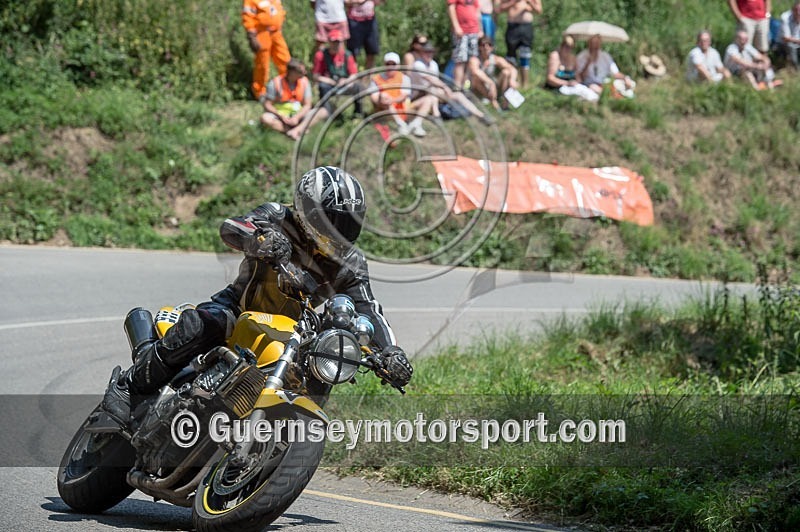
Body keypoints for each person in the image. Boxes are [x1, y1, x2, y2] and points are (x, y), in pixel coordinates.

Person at [102, 166, 414, 427]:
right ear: (307, 209)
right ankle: (129, 387)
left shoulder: (350, 262)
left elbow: (368, 308)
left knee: (319, 376)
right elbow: (232, 227)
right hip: (237, 309)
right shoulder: (278, 218)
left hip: (291, 335)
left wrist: (391, 351)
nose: (337, 230)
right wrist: (261, 239)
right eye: (330, 220)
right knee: (201, 324)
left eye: (347, 223)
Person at [411, 40, 490, 122]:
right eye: (427, 52)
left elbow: (436, 81)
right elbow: (431, 80)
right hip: (418, 95)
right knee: (433, 91)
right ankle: (436, 115)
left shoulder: (433, 64)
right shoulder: (417, 64)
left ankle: (479, 115)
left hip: (433, 93)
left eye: (431, 52)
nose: (429, 54)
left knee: (458, 95)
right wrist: (444, 87)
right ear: (422, 53)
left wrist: (444, 88)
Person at [369, 52, 436, 137]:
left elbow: (405, 95)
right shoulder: (376, 79)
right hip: (385, 110)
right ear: (384, 64)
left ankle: (416, 124)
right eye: (388, 64)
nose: (390, 66)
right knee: (384, 97)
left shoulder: (404, 78)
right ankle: (401, 125)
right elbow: (374, 97)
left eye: (393, 64)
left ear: (398, 65)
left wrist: (392, 100)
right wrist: (383, 100)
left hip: (403, 108)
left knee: (429, 99)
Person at [260, 59, 329, 140]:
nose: (304, 73)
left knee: (323, 112)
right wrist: (281, 116)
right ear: (291, 72)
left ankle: (297, 130)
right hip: (280, 116)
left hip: (299, 116)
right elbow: (267, 104)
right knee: (265, 118)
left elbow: (308, 105)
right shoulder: (275, 82)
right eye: (301, 71)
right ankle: (290, 131)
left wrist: (297, 117)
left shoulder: (304, 82)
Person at [242, 0, 291, 101]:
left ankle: (288, 87)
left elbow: (279, 11)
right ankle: (260, 92)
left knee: (285, 60)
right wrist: (251, 36)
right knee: (262, 65)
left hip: (276, 33)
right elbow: (248, 16)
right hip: (262, 34)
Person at [312, 29, 363, 116]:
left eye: (338, 42)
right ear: (329, 42)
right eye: (333, 42)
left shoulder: (347, 55)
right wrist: (330, 81)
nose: (336, 45)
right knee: (322, 87)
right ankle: (326, 113)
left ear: (342, 43)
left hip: (344, 83)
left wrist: (347, 81)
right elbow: (316, 76)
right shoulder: (321, 55)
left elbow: (354, 75)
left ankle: (358, 114)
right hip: (329, 83)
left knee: (358, 87)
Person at [497, 0, 542, 87]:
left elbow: (539, 10)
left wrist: (530, 3)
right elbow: (500, 9)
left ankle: (525, 84)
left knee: (525, 55)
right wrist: (514, 2)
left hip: (526, 28)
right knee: (511, 56)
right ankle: (510, 83)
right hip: (512, 27)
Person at [545, 34, 599, 102]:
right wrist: (567, 83)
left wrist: (577, 81)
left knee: (588, 93)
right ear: (562, 46)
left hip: (571, 87)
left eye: (570, 47)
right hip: (557, 87)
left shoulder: (572, 58)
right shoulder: (555, 56)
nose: (568, 49)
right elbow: (550, 78)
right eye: (566, 47)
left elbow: (577, 76)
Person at [447, 0, 485, 89]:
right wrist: (456, 26)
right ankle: (457, 86)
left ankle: (466, 86)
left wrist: (480, 28)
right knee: (460, 60)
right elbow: (451, 8)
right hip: (461, 32)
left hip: (474, 31)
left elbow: (477, 11)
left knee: (472, 60)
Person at [473, 36, 518, 109]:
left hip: (494, 86)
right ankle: (493, 101)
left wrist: (512, 80)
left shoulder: (496, 59)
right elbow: (476, 72)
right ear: (479, 47)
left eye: (489, 45)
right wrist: (491, 83)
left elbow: (513, 69)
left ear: (492, 47)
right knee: (476, 78)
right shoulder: (475, 60)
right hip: (482, 87)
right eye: (483, 45)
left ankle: (505, 103)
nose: (486, 47)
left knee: (506, 72)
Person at [345, 0, 382, 70]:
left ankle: (367, 78)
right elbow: (346, 2)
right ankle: (353, 76)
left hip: (370, 20)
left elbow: (380, 2)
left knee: (371, 51)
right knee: (353, 53)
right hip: (354, 20)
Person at [780, 1, 800, 68]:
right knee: (791, 46)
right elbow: (785, 38)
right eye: (797, 11)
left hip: (797, 41)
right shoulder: (785, 17)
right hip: (785, 43)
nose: (799, 13)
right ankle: (795, 68)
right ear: (793, 10)